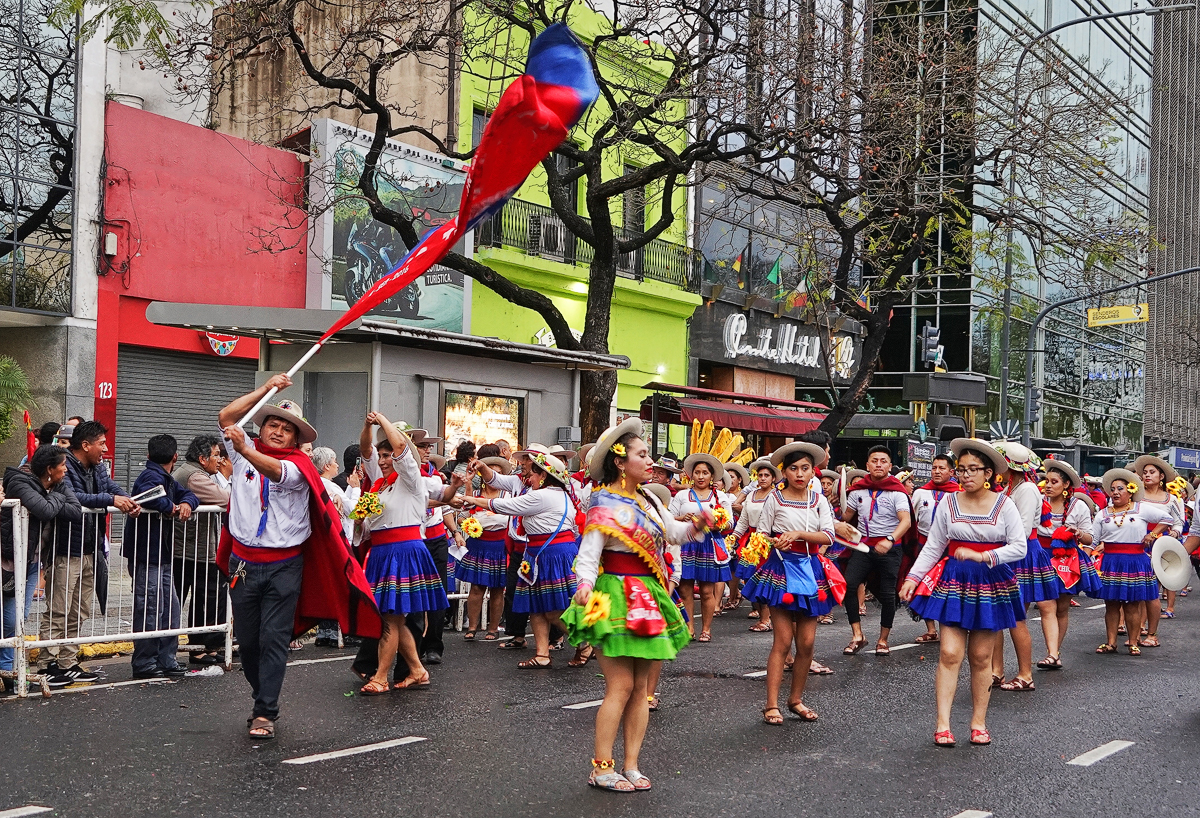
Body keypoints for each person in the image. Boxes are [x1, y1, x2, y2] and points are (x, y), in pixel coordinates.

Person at [217, 378, 380, 739]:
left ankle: (265, 711)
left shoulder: (297, 466)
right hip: (242, 565)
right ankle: (263, 694)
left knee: (274, 639)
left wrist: (245, 450)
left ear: (296, 439)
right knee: (249, 641)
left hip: (283, 565)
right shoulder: (240, 448)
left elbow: (272, 471)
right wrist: (265, 390)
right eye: (272, 424)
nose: (278, 432)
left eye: (286, 429)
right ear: (262, 427)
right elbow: (227, 415)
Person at [563, 418, 696, 792]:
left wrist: (700, 524)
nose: (649, 460)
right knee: (619, 686)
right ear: (620, 462)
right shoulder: (604, 499)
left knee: (641, 688)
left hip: (648, 594)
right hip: (613, 593)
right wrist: (584, 585)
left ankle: (632, 765)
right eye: (642, 454)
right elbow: (589, 551)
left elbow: (674, 532)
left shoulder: (651, 499)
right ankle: (602, 767)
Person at [899, 439, 1027, 747]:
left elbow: (1019, 547)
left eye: (973, 469)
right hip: (954, 581)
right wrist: (913, 577)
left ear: (988, 473)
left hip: (991, 581)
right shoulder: (949, 502)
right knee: (949, 652)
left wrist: (984, 557)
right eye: (962, 469)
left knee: (981, 657)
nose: (966, 475)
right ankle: (943, 724)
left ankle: (978, 722)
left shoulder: (1004, 504)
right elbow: (934, 545)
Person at [742, 442, 838, 726]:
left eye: (805, 469)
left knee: (806, 643)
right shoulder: (775, 498)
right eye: (793, 468)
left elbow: (829, 537)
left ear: (813, 472)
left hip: (811, 571)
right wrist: (777, 540)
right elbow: (760, 534)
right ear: (784, 471)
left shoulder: (818, 500)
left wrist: (798, 534)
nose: (799, 474)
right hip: (781, 570)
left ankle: (795, 699)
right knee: (782, 641)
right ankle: (771, 704)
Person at [355, 415, 450, 695]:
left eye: (388, 455)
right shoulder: (379, 485)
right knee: (395, 618)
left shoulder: (410, 477)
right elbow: (364, 450)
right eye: (381, 456)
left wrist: (383, 419)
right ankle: (418, 671)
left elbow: (401, 448)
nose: (383, 460)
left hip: (403, 550)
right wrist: (367, 426)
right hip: (383, 552)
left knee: (390, 618)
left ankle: (381, 676)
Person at [40, 421, 139, 685]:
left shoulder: (96, 467)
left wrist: (127, 499)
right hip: (65, 548)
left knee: (79, 609)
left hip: (89, 547)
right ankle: (46, 663)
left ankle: (68, 661)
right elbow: (75, 498)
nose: (105, 449)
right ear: (85, 445)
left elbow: (111, 487)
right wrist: (111, 500)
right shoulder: (64, 466)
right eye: (101, 444)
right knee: (58, 608)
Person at [466, 451, 578, 667]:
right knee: (536, 606)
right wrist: (481, 468)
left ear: (543, 476)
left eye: (533, 474)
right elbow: (496, 480)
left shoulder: (542, 495)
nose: (529, 479)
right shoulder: (561, 494)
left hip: (550, 554)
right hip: (538, 552)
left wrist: (468, 499)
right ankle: (542, 654)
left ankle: (584, 642)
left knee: (554, 609)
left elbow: (505, 506)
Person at [1, 446, 82, 691]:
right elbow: (45, 510)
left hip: (33, 561)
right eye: (63, 466)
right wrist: (54, 497)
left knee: (21, 617)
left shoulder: (55, 484)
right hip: (9, 560)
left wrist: (52, 495)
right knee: (10, 618)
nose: (66, 471)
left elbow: (75, 510)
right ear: (49, 469)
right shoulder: (19, 482)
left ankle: (13, 669)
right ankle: (9, 668)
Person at [124, 435, 199, 679]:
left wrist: (186, 503)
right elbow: (150, 497)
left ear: (148, 455)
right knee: (149, 608)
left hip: (162, 554)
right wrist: (172, 507)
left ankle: (166, 659)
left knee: (170, 609)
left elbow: (188, 494)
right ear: (175, 456)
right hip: (148, 554)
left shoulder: (165, 478)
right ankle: (145, 662)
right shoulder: (151, 477)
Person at [991, 441, 1053, 692]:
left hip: (1022, 554)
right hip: (1010, 552)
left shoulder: (1026, 489)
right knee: (998, 616)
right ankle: (996, 671)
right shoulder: (1009, 488)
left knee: (1016, 617)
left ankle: (1025, 674)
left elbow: (1024, 529)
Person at [840, 445, 910, 656]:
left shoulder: (897, 491)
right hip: (863, 546)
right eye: (874, 460)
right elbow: (846, 517)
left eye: (883, 461)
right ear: (867, 465)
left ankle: (883, 639)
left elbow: (905, 521)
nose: (878, 464)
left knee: (888, 594)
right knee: (849, 585)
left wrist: (890, 539)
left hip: (890, 549)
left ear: (889, 465)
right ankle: (857, 635)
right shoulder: (858, 489)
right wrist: (835, 501)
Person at [1092, 468, 1171, 656]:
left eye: (1120, 488)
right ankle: (1111, 642)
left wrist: (1152, 535)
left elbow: (1167, 518)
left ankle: (1134, 641)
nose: (1116, 492)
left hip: (1135, 560)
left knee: (1132, 604)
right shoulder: (1103, 514)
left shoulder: (1140, 508)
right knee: (1111, 604)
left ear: (1131, 491)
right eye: (1112, 489)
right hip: (1111, 561)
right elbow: (1093, 539)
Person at [172, 434, 232, 665]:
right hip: (190, 550)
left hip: (195, 548)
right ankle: (198, 648)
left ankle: (207, 647)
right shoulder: (194, 476)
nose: (220, 460)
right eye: (216, 455)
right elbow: (225, 498)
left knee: (204, 598)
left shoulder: (199, 473)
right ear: (202, 458)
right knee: (201, 599)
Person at [1035, 460, 1101, 669]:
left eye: (1054, 482)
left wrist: (1077, 533)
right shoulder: (1037, 501)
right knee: (1046, 604)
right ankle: (1053, 653)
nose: (1048, 485)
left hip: (1066, 559)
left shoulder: (1078, 505)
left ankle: (1054, 652)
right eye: (1046, 481)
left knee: (1062, 608)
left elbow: (1091, 539)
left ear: (1065, 485)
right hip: (1040, 555)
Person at [669, 453, 733, 643]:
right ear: (691, 475)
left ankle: (706, 629)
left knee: (706, 591)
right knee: (685, 589)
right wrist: (683, 519)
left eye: (705, 472)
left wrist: (717, 524)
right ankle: (689, 627)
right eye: (697, 472)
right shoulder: (682, 495)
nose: (701, 476)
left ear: (711, 476)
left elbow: (729, 523)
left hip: (709, 545)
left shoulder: (720, 497)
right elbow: (669, 518)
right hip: (687, 543)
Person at [456, 455, 511, 641]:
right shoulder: (477, 495)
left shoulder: (508, 496)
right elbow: (463, 513)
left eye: (497, 472)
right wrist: (468, 524)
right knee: (477, 587)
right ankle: (472, 627)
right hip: (478, 544)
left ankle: (493, 628)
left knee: (497, 588)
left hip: (500, 545)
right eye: (490, 471)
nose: (493, 475)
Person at [1132, 454, 1184, 646]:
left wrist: (1171, 537)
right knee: (1136, 591)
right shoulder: (1136, 496)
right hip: (1136, 545)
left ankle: (1152, 635)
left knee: (1152, 591)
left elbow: (1179, 523)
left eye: (1152, 472)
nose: (1147, 476)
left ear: (1161, 476)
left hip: (1159, 546)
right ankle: (1137, 630)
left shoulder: (1171, 499)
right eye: (1144, 472)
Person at [310, 445, 359, 648]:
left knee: (327, 585)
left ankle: (326, 632)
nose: (338, 465)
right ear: (327, 465)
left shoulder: (325, 484)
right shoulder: (330, 486)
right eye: (335, 461)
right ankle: (342, 632)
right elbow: (353, 511)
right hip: (339, 541)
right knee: (342, 586)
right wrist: (355, 487)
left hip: (325, 542)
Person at [910, 454, 960, 644]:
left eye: (942, 468)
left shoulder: (958, 494)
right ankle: (931, 629)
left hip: (949, 547)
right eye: (934, 468)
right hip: (924, 545)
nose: (937, 471)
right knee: (924, 585)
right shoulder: (920, 493)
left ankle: (952, 625)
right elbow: (912, 520)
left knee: (949, 587)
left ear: (951, 472)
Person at [732, 459, 780, 633]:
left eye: (767, 475)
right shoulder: (751, 495)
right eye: (760, 475)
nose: (762, 478)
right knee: (749, 578)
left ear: (773, 478)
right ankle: (763, 615)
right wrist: (734, 537)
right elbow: (744, 519)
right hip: (750, 540)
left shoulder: (776, 496)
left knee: (763, 579)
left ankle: (766, 619)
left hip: (768, 542)